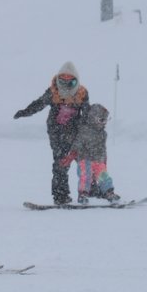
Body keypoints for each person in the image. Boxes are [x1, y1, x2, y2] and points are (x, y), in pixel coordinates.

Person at [13, 61, 90, 205]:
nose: (66, 83)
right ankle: (61, 196)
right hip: (56, 132)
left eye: (70, 80)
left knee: (85, 162)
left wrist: (88, 130)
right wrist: (25, 112)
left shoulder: (82, 93)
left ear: (76, 81)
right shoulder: (53, 92)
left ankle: (93, 191)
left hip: (75, 132)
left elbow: (86, 114)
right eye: (63, 79)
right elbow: (39, 104)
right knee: (60, 163)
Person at [65, 103, 120, 204]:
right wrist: (72, 154)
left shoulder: (103, 133)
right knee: (86, 176)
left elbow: (103, 148)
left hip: (98, 159)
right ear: (93, 118)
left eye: (106, 120)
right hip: (85, 159)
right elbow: (77, 143)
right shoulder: (85, 131)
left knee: (104, 176)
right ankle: (83, 194)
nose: (104, 123)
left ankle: (109, 193)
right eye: (101, 120)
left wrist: (104, 159)